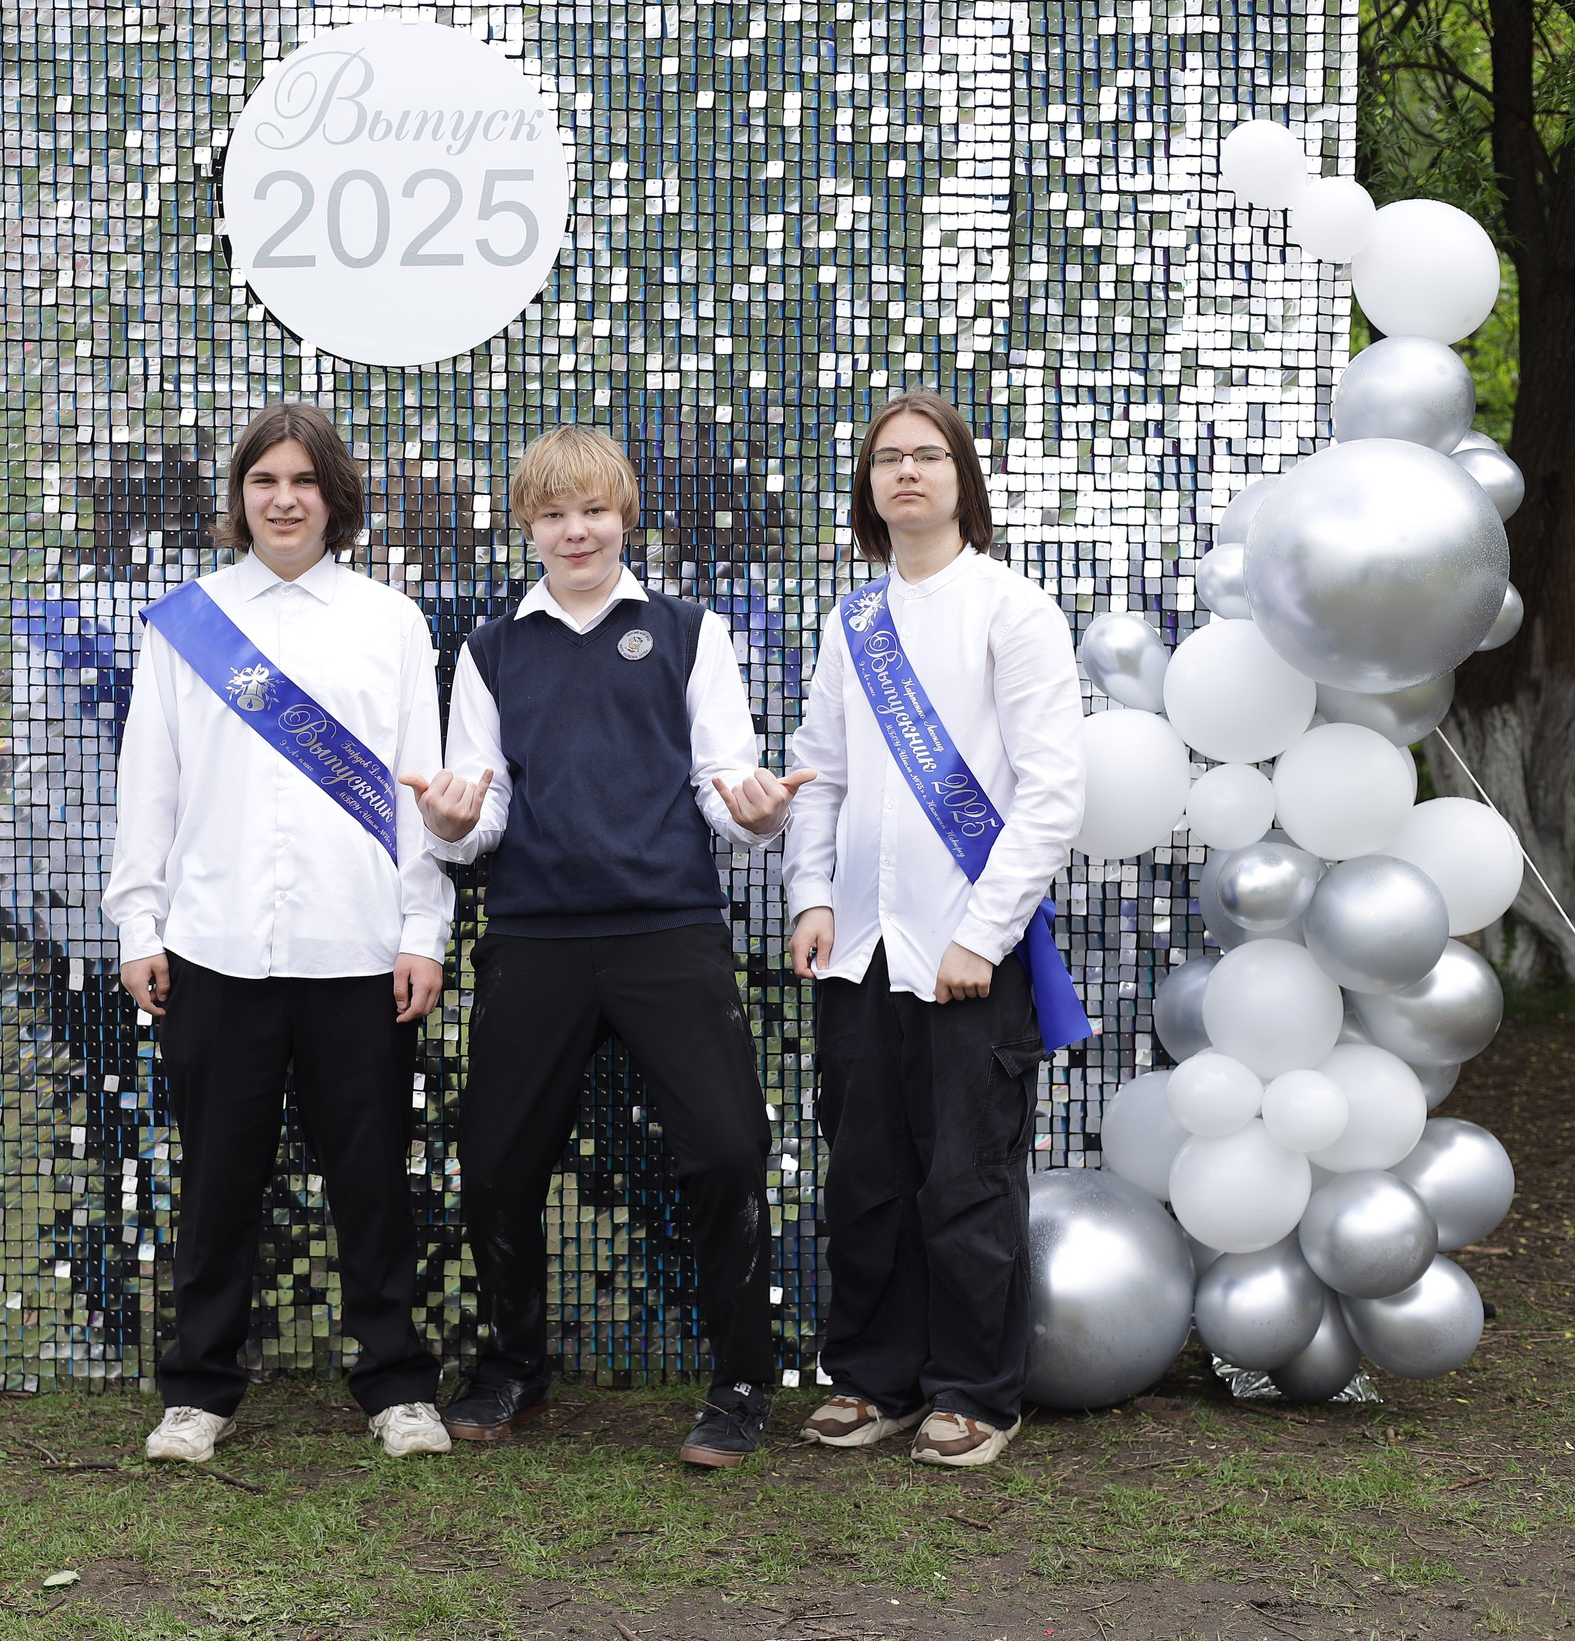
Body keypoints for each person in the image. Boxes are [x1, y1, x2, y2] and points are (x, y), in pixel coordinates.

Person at [405, 425, 811, 1469]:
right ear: (527, 529)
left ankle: (738, 1381)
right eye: (552, 513)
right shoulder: (490, 650)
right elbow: (478, 817)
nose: (574, 530)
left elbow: (727, 795)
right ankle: (512, 1369)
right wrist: (449, 826)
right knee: (496, 1168)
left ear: (624, 516)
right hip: (534, 938)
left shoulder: (687, 631)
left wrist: (760, 815)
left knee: (726, 1152)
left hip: (667, 929)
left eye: (592, 509)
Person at [106, 402, 454, 1464]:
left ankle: (395, 1385)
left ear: (333, 496)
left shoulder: (389, 623)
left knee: (372, 1182)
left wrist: (423, 931)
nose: (284, 499)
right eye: (265, 481)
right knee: (216, 1182)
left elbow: (420, 792)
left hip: (359, 954)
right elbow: (147, 790)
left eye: (303, 481)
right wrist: (138, 922)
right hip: (214, 950)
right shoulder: (185, 623)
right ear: (241, 498)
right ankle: (199, 1392)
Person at [783, 391, 1089, 1469]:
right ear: (868, 490)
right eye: (885, 460)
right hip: (858, 951)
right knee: (863, 1176)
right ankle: (874, 1381)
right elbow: (815, 778)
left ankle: (974, 1393)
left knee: (965, 1181)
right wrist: (810, 897)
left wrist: (982, 932)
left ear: (962, 478)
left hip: (968, 957)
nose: (905, 472)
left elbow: (1052, 794)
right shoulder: (849, 622)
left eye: (926, 456)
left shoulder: (1014, 612)